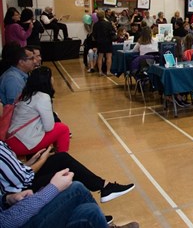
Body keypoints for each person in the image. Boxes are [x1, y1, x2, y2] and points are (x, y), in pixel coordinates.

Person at [0, 142, 135, 205]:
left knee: (62, 158)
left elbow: (15, 171)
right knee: (67, 178)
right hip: (19, 191)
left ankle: (105, 186)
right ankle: (93, 216)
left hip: (19, 180)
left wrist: (30, 162)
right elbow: (24, 178)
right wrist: (43, 158)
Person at [1, 171, 139, 228]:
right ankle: (106, 188)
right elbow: (7, 222)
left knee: (91, 212)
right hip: (12, 221)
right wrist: (53, 188)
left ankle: (102, 223)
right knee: (76, 188)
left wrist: (7, 198)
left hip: (9, 209)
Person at [6, 67, 71, 156]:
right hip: (22, 144)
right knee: (63, 129)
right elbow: (49, 127)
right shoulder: (42, 97)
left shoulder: (25, 94)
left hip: (12, 139)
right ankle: (62, 158)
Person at [91, 10, 115, 76]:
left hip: (100, 42)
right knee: (109, 57)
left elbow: (94, 35)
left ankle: (100, 71)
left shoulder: (95, 25)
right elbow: (112, 33)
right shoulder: (108, 23)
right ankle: (108, 71)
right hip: (108, 41)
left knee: (100, 57)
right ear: (104, 15)